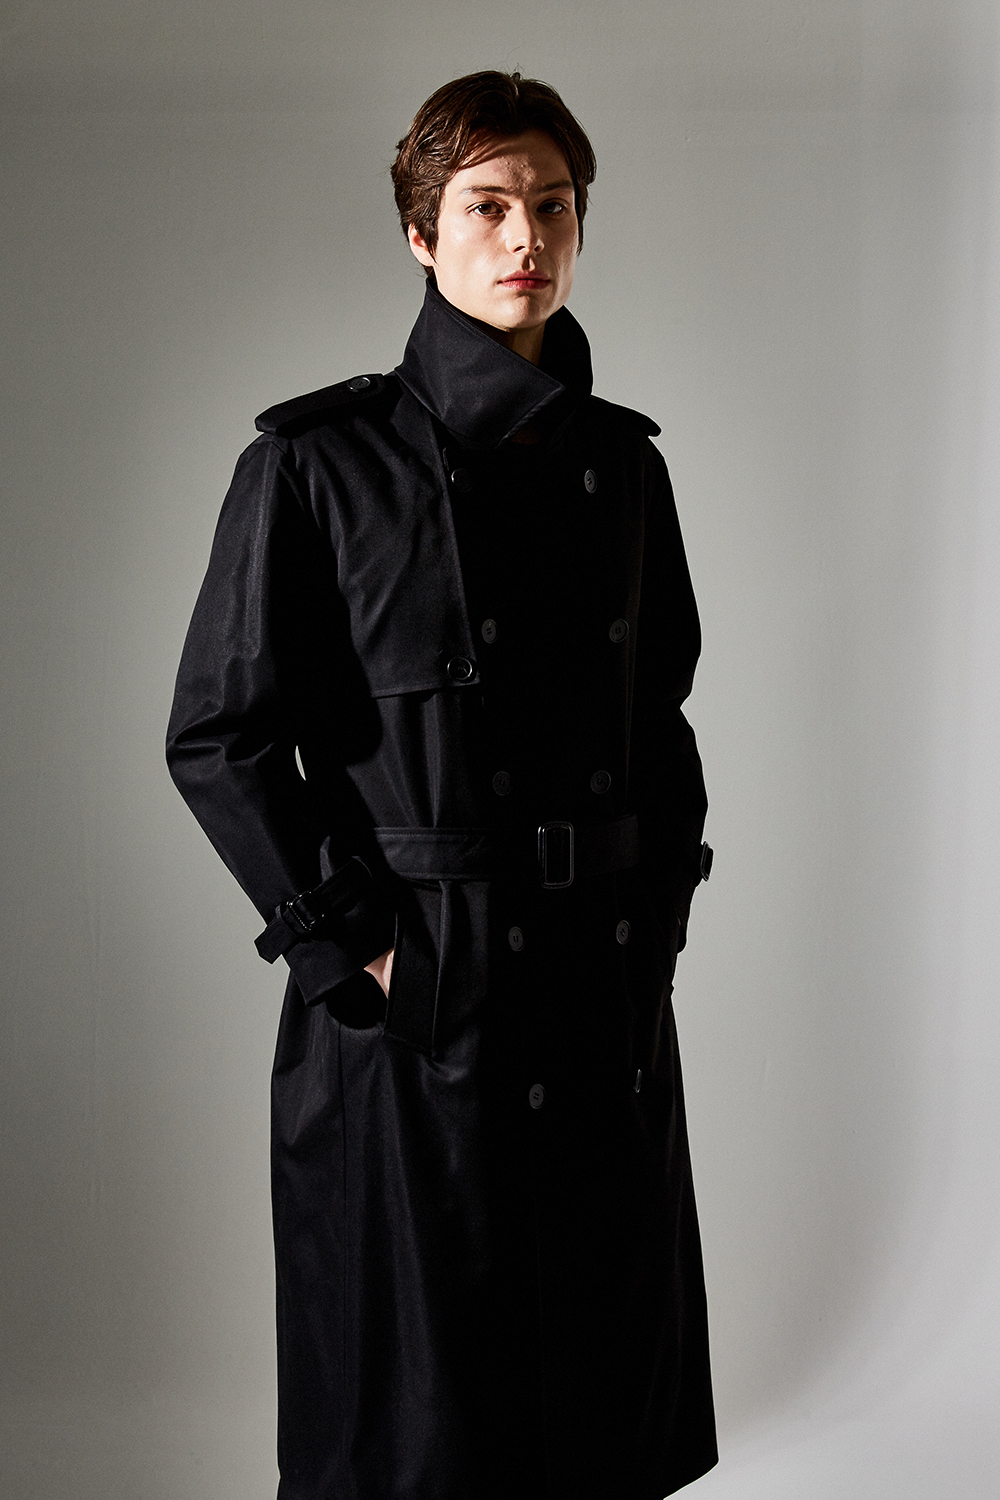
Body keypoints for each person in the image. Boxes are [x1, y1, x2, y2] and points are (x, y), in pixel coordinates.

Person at [167, 68, 717, 1500]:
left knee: (598, 1407)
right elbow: (219, 737)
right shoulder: (318, 466)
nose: (525, 236)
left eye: (554, 205)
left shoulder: (625, 468)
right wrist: (360, 946)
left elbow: (660, 722)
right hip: (424, 1004)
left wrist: (654, 923)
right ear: (421, 233)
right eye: (486, 206)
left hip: (598, 996)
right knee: (421, 1430)